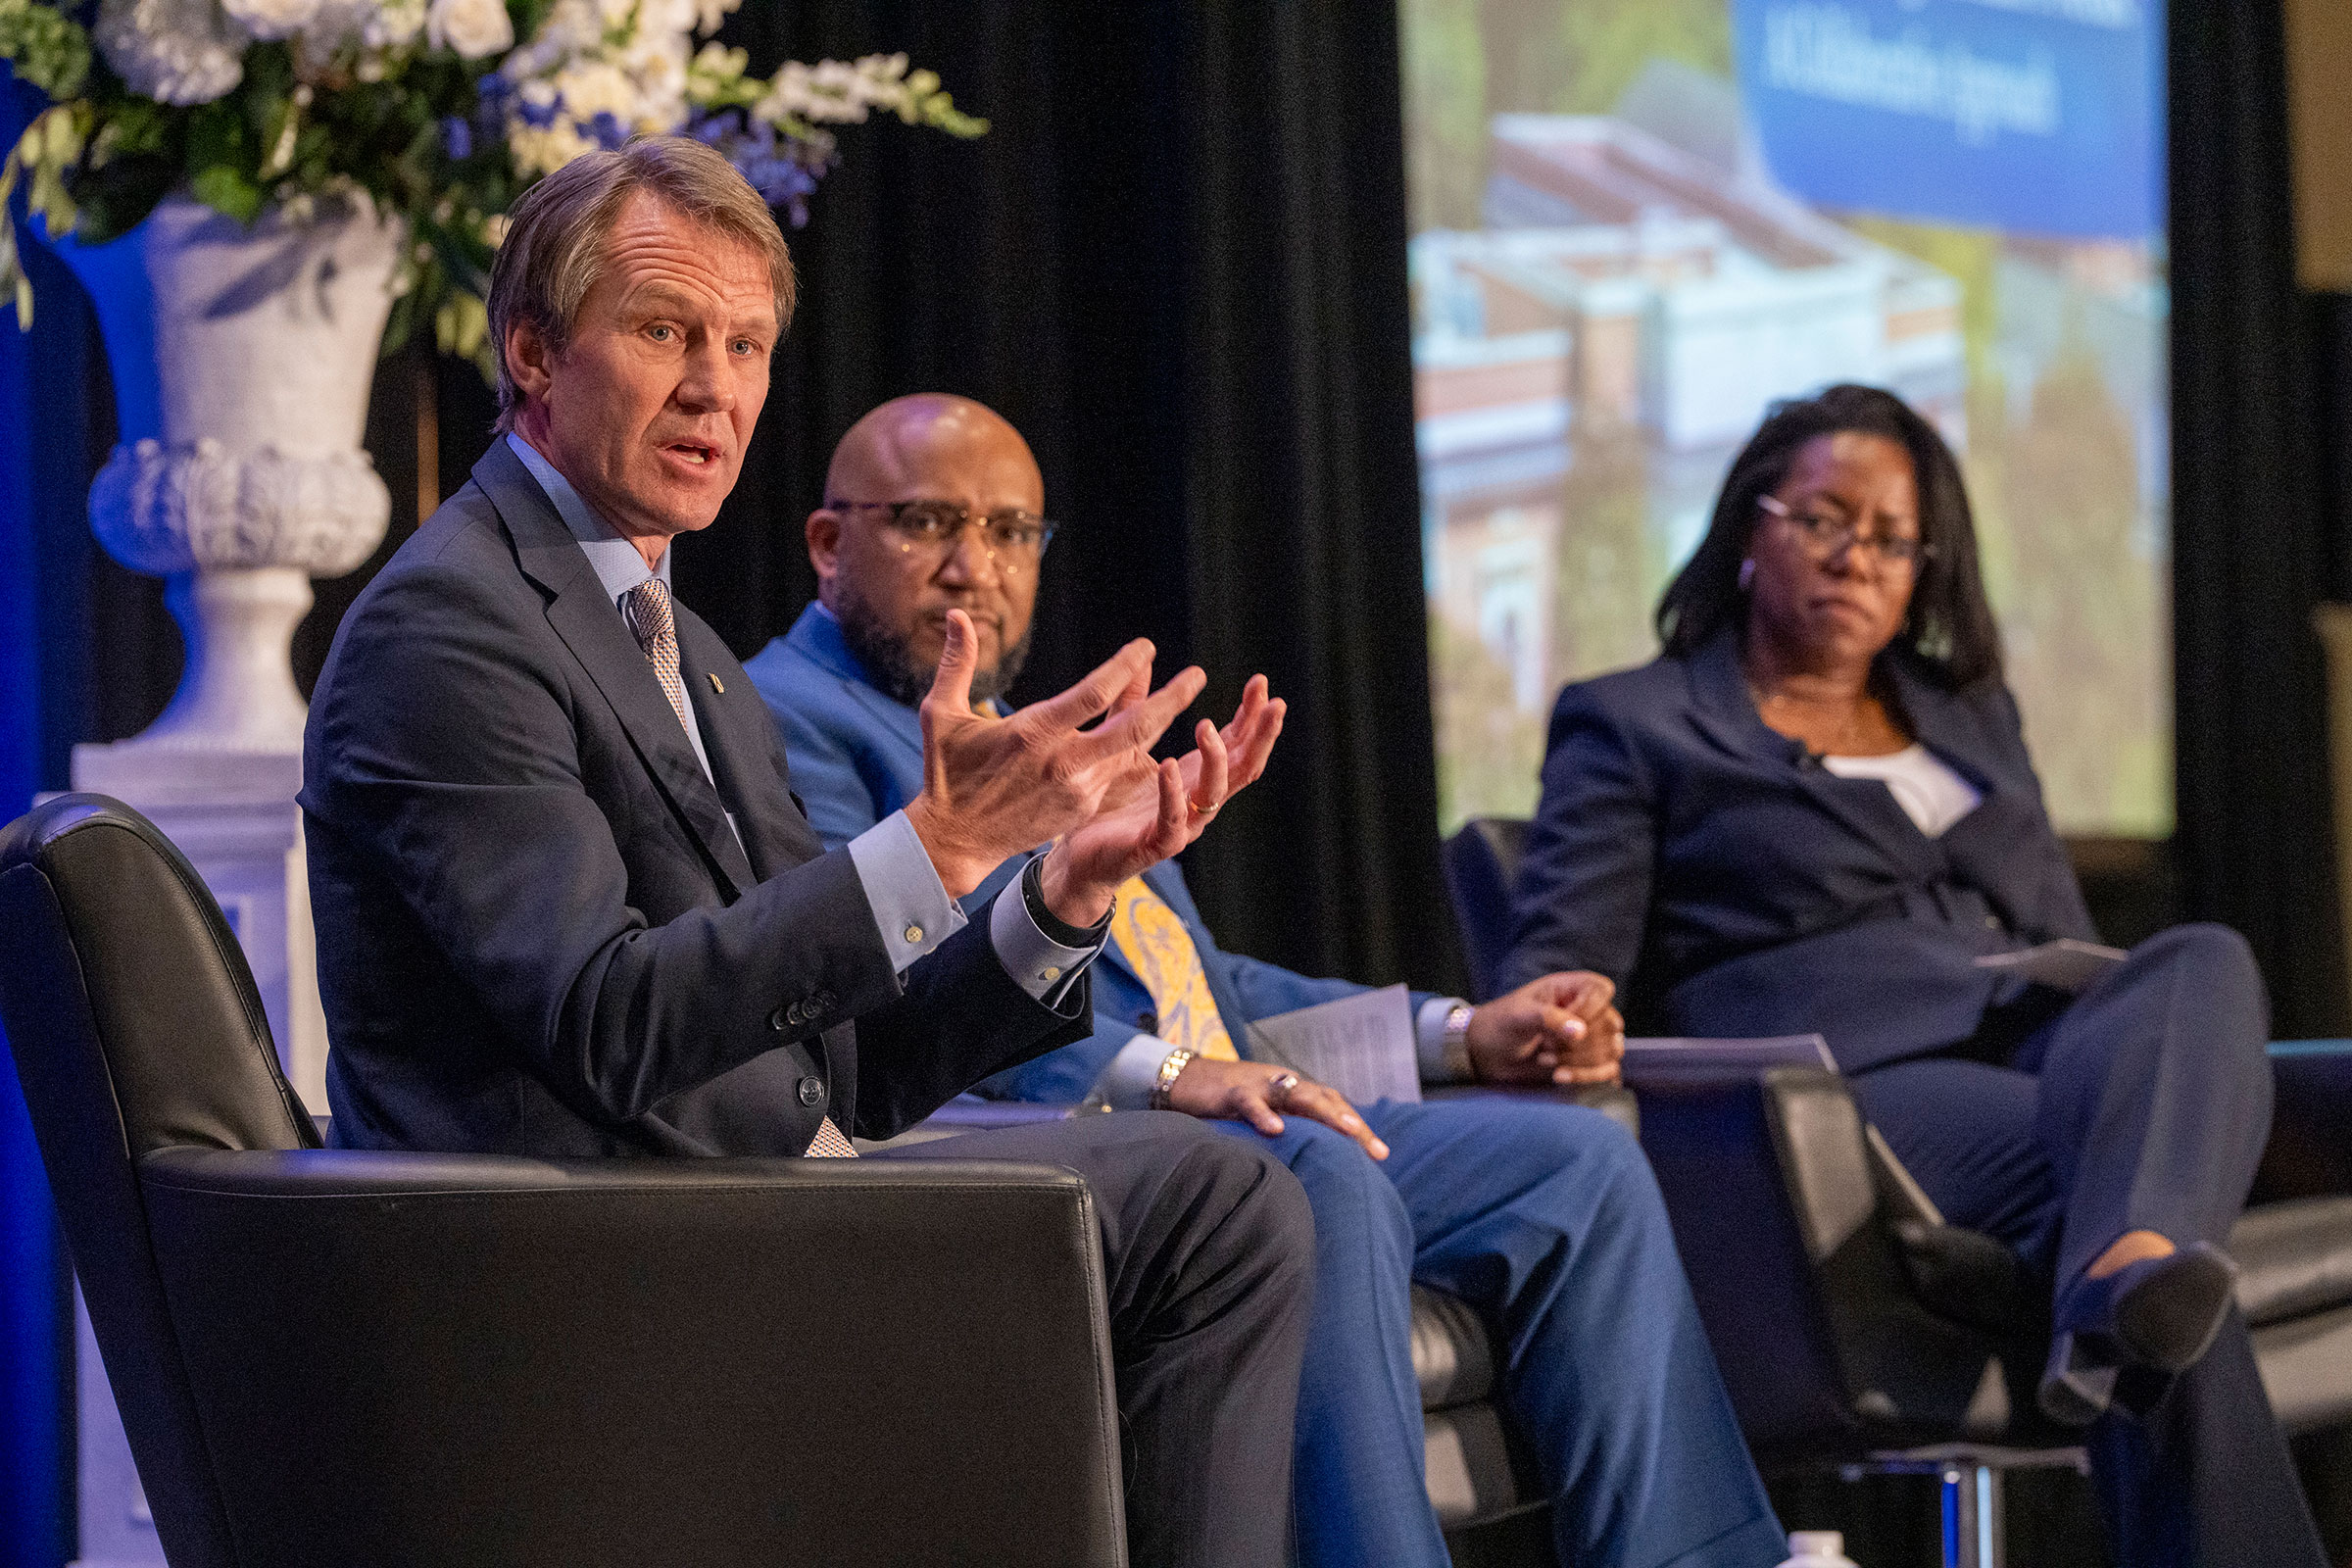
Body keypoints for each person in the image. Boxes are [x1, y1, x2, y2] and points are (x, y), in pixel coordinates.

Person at [299, 137, 1318, 1568]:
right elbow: (608, 1021)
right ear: (534, 350)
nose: (715, 387)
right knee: (1214, 1203)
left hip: (746, 1194)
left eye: (747, 345)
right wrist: (941, 840)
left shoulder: (691, 651)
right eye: (663, 332)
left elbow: (856, 1066)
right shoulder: (453, 626)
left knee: (1214, 1183)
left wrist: (1060, 891)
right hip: (594, 1253)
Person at [745, 392, 1790, 1568]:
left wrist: (1459, 1033)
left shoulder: (1038, 727)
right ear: (830, 544)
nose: (973, 565)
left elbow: (1200, 979)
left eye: (1010, 532)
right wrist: (1177, 1073)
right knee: (1317, 1174)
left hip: (1223, 1102)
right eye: (929, 522)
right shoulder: (788, 720)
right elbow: (888, 987)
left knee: (1580, 1162)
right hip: (1025, 1127)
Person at [1499, 382, 2325, 1568]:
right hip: (1852, 1090)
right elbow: (1556, 961)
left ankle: (2131, 1250)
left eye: (1891, 540)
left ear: (1924, 573)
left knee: (2200, 958)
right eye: (1825, 520)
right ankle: (2135, 1254)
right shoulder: (1640, 724)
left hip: (2045, 1039)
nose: (1856, 559)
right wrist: (1563, 1016)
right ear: (1750, 526)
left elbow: (2072, 934)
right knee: (2142, 1236)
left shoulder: (1970, 715)